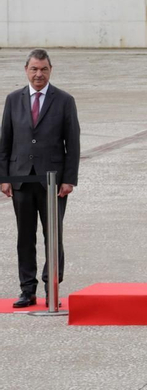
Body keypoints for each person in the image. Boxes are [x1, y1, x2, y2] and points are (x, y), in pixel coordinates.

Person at [0, 50, 80, 308]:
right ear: (26, 70)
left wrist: (69, 179)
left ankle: (51, 288)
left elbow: (73, 144)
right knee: (25, 236)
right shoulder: (13, 100)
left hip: (53, 182)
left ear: (50, 70)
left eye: (43, 69)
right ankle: (27, 289)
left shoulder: (64, 100)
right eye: (34, 69)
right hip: (21, 179)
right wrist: (4, 177)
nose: (39, 74)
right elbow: (5, 143)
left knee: (52, 235)